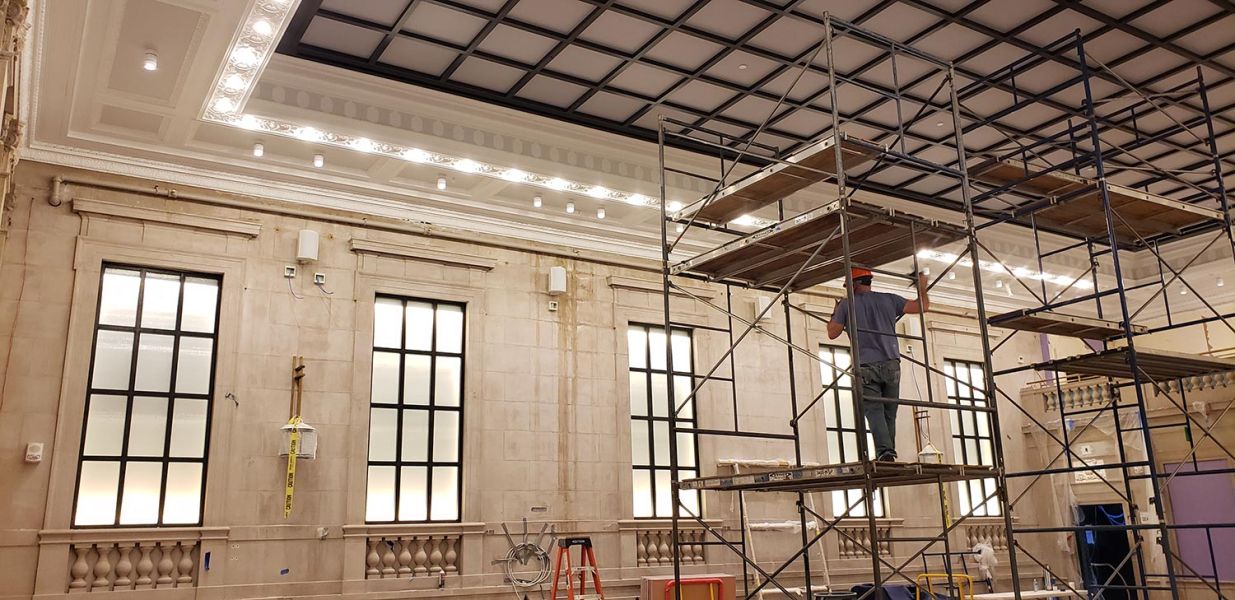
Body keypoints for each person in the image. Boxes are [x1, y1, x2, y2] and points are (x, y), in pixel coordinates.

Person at [827, 267, 929, 462]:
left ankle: (885, 452)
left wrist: (835, 310)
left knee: (874, 410)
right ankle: (888, 452)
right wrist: (922, 287)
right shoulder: (890, 299)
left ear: (853, 285)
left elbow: (832, 333)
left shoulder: (847, 305)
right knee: (890, 411)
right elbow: (923, 306)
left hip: (866, 366)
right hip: (891, 363)